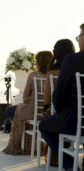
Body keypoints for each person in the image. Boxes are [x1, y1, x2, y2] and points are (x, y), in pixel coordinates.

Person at [39, 23, 84, 170]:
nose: (77, 40)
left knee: (44, 126)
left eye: (79, 36)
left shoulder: (72, 60)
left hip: (75, 122)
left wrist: (59, 111)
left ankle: (70, 165)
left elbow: (59, 95)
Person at [3, 51, 53, 155]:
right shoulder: (54, 75)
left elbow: (25, 98)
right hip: (49, 113)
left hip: (33, 113)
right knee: (20, 111)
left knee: (11, 110)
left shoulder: (33, 75)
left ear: (39, 62)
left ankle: (25, 140)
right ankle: (34, 140)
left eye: (36, 61)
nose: (35, 63)